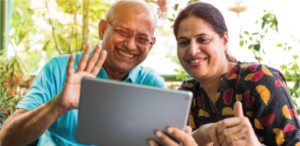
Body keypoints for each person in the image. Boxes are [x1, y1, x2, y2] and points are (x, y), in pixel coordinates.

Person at [0, 0, 168, 145]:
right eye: (123, 32)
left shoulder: (153, 86)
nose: (131, 45)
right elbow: (6, 139)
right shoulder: (59, 69)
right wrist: (58, 105)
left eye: (142, 39)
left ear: (150, 45)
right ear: (102, 29)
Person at [148, 2, 300, 146]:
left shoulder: (259, 78)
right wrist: (200, 135)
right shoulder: (187, 94)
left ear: (225, 41)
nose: (192, 51)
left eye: (203, 39)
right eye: (183, 42)